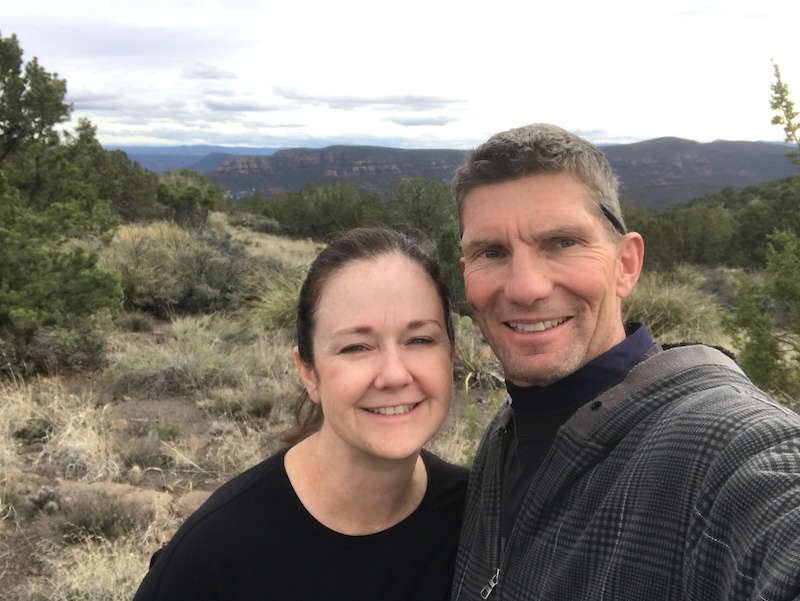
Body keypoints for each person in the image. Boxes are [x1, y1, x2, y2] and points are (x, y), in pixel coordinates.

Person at [450, 123, 800, 600]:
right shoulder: (506, 434)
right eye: (491, 252)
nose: (525, 288)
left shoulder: (718, 444)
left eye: (563, 243)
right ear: (466, 271)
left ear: (626, 265)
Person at [133, 227, 468, 601]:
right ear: (309, 372)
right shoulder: (216, 555)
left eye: (420, 339)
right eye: (356, 347)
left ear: (450, 355)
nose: (393, 374)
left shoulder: (477, 518)